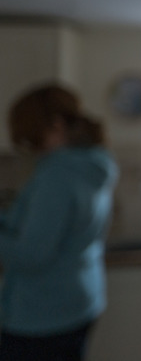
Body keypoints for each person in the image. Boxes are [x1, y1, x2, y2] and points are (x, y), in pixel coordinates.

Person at [0, 83, 118, 361]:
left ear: (56, 125)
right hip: (79, 299)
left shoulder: (58, 177)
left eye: (34, 138)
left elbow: (30, 255)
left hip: (44, 313)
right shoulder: (92, 164)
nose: (34, 149)